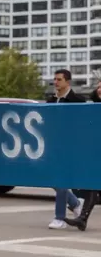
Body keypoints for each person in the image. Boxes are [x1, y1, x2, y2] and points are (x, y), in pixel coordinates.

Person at [46, 69, 86, 230]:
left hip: (70, 147)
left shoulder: (78, 100)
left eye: (59, 80)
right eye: (54, 80)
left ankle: (59, 218)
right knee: (50, 179)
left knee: (61, 179)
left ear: (67, 82)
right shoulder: (50, 101)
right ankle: (76, 203)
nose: (55, 82)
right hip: (53, 146)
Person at [63, 82, 101, 231]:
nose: (99, 90)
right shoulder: (94, 105)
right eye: (98, 87)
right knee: (92, 184)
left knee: (94, 185)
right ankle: (82, 218)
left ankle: (82, 216)